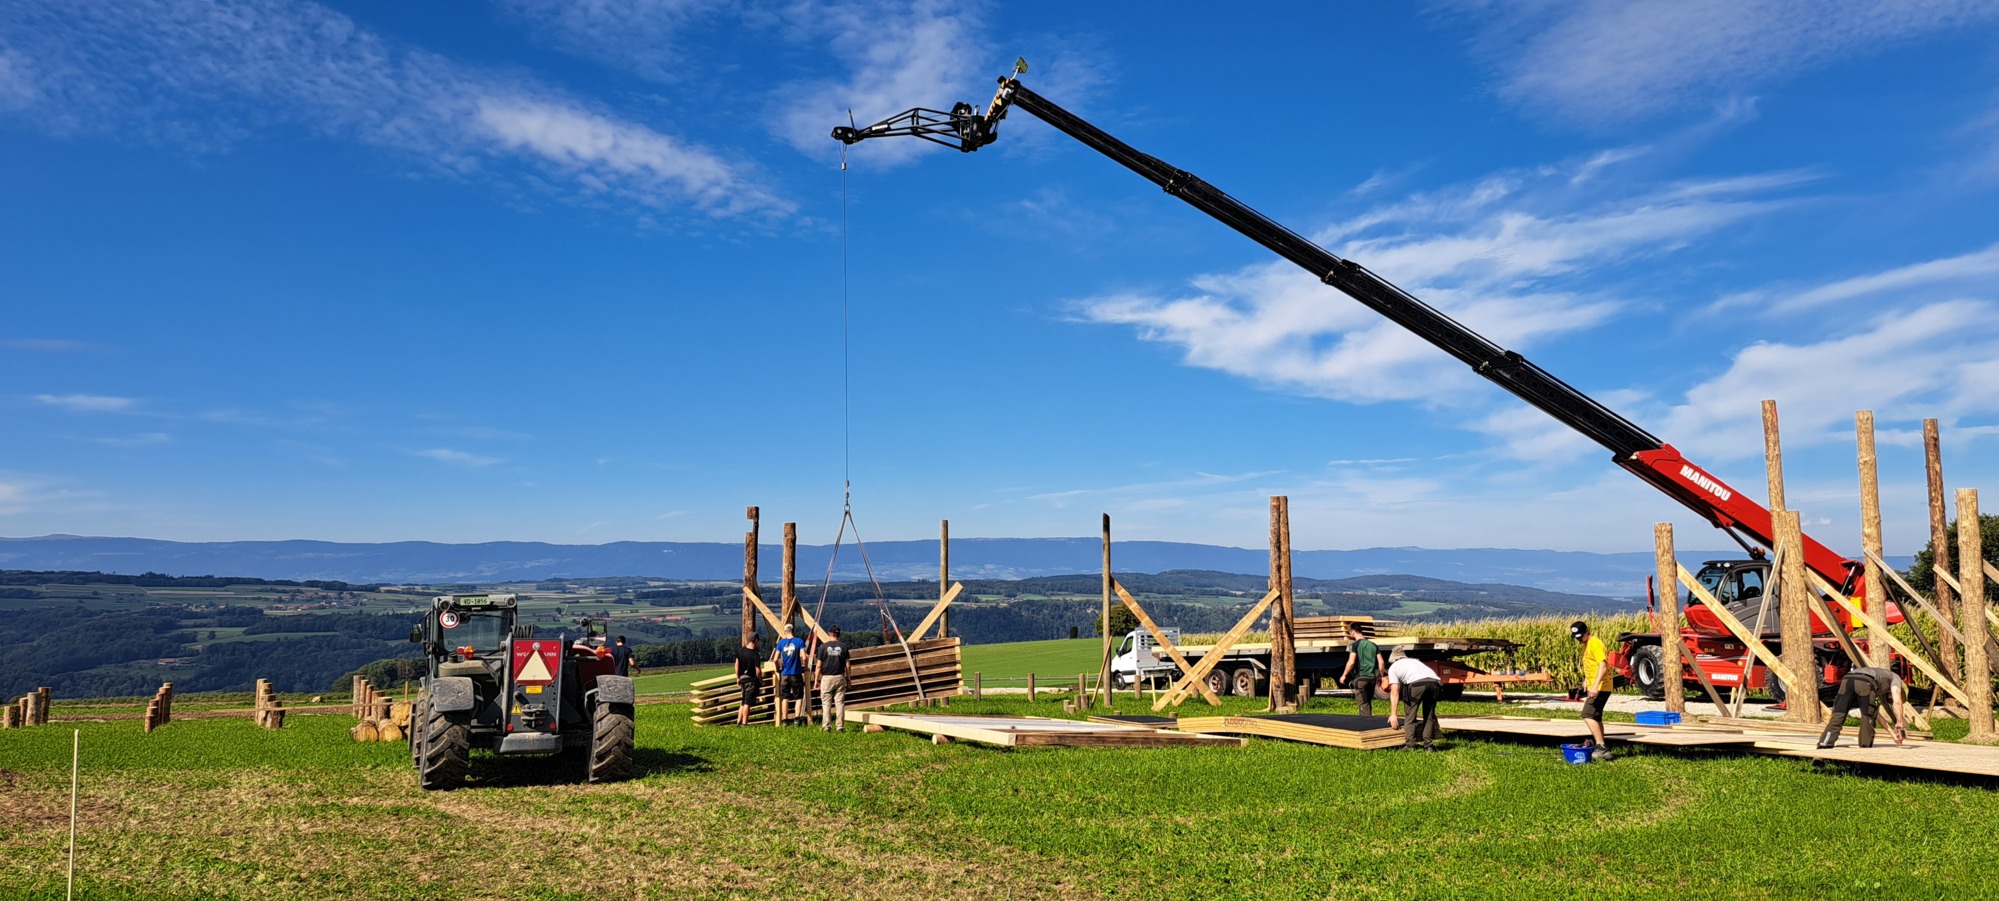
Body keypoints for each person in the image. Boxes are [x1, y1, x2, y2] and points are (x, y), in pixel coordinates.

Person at [1817, 665, 1908, 749]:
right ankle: (1865, 746)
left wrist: (1893, 735)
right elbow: (1897, 701)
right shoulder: (1895, 678)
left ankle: (1825, 743)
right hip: (1865, 681)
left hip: (1847, 679)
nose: (1890, 698)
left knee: (1839, 713)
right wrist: (1900, 722)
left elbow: (1875, 713)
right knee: (1867, 717)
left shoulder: (1879, 684)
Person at [1572, 620, 1615, 761]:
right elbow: (1592, 665)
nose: (1578, 639)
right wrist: (1586, 679)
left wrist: (1595, 686)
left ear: (1587, 632)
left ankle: (1601, 747)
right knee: (1596, 716)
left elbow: (1603, 666)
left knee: (1587, 715)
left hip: (1601, 687)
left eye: (1580, 636)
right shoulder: (1586, 645)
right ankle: (1601, 746)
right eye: (1576, 637)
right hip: (1597, 686)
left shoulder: (1595, 644)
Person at [1384, 650, 1442, 751]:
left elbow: (1394, 691)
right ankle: (1428, 745)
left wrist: (1393, 714)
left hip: (1417, 684)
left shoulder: (1393, 667)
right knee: (1429, 715)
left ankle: (1410, 745)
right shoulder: (1415, 661)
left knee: (1410, 715)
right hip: (1435, 683)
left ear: (1393, 660)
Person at [1339, 623, 1386, 717]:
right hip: (1372, 678)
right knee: (1368, 702)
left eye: (1350, 632)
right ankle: (1368, 720)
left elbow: (1351, 662)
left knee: (1363, 704)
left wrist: (1344, 675)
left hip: (1361, 678)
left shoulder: (1354, 645)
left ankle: (1365, 723)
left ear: (1353, 632)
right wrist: (1381, 676)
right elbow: (1381, 662)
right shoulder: (1373, 645)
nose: (1350, 635)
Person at [814, 625, 851, 733]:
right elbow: (848, 665)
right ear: (839, 635)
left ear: (829, 634)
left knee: (826, 703)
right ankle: (840, 727)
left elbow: (818, 666)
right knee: (839, 703)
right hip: (840, 677)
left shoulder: (822, 647)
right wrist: (849, 679)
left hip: (826, 678)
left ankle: (826, 727)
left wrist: (816, 680)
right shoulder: (844, 647)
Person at [771, 624, 808, 726]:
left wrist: (778, 669)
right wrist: (805, 667)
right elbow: (804, 657)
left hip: (785, 674)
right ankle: (797, 719)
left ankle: (784, 720)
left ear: (785, 632)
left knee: (785, 697)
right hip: (796, 673)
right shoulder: (799, 641)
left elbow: (775, 659)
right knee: (798, 697)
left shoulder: (781, 643)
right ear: (793, 630)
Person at [733, 634, 764, 727]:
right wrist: (760, 680)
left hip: (742, 679)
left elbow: (736, 665)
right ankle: (744, 723)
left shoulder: (740, 651)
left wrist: (738, 677)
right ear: (755, 641)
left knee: (743, 701)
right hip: (751, 680)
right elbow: (758, 670)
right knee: (747, 702)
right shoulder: (755, 654)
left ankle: (739, 722)